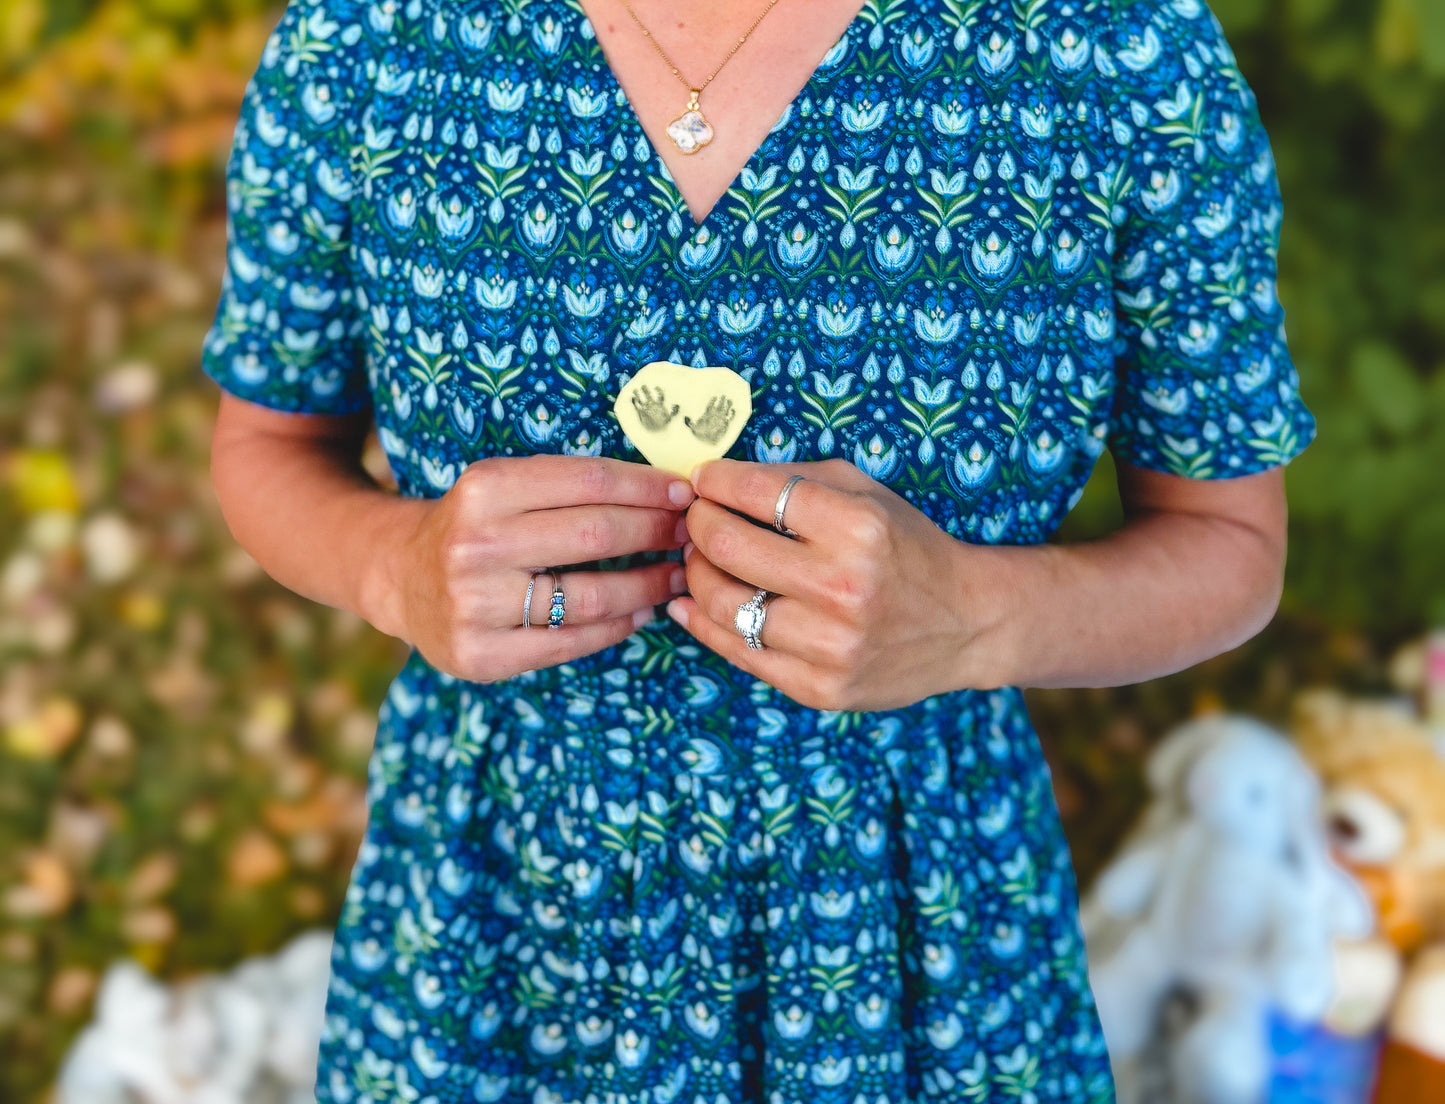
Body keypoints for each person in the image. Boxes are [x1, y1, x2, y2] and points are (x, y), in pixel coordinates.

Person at [201, 0, 1314, 1100]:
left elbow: (1228, 542)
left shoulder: (1112, 47)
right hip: (493, 917)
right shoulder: (366, 33)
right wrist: (392, 563)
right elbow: (264, 444)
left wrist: (977, 612)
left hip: (911, 934)